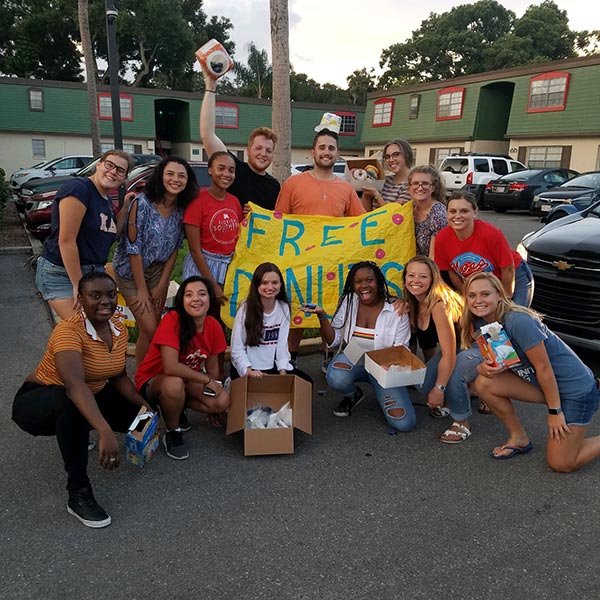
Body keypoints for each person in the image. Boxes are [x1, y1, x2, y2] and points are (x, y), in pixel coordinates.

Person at [12, 272, 150, 528]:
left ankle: (84, 429)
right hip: (38, 400)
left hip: (89, 393)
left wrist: (144, 407)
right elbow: (74, 385)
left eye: (110, 294)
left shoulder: (117, 327)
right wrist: (104, 431)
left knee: (137, 417)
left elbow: (118, 375)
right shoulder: (68, 331)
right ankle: (78, 493)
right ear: (80, 299)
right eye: (95, 296)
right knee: (72, 406)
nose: (105, 301)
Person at [462, 272, 600, 471]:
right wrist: (483, 367)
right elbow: (501, 360)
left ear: (500, 295)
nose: (478, 301)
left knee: (561, 463)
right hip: (546, 386)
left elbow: (544, 368)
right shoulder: (481, 321)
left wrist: (555, 411)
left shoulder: (518, 321)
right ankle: (519, 438)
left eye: (485, 294)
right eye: (472, 295)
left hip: (576, 391)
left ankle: (565, 420)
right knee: (483, 382)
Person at [275, 127, 365, 364]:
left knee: (331, 311)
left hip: (333, 265)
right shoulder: (293, 184)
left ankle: (328, 359)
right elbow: (277, 223)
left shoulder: (346, 188)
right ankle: (290, 359)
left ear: (338, 154)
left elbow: (362, 223)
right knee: (297, 311)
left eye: (332, 148)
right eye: (322, 147)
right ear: (312, 152)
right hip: (299, 263)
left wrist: (379, 203)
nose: (327, 152)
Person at [306, 261, 415, 431]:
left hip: (384, 362)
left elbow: (403, 352)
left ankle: (381, 390)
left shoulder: (396, 309)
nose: (364, 285)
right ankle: (354, 394)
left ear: (378, 282)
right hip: (356, 352)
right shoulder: (349, 301)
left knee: (404, 423)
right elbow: (334, 341)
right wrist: (321, 316)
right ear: (353, 284)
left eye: (369, 280)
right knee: (335, 376)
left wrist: (385, 372)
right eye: (358, 281)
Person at [112, 156, 198, 367]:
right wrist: (142, 289)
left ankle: (149, 371)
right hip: (130, 272)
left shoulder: (181, 210)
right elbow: (133, 250)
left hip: (159, 270)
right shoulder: (140, 204)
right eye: (170, 174)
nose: (175, 179)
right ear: (160, 176)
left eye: (181, 176)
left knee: (153, 328)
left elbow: (175, 250)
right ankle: (142, 377)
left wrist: (162, 285)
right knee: (150, 327)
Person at [135, 276, 229, 461]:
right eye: (189, 295)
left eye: (202, 294)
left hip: (185, 380)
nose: (196, 299)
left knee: (222, 400)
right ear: (181, 300)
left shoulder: (213, 325)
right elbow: (170, 367)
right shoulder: (172, 319)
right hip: (153, 380)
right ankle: (173, 431)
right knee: (174, 384)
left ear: (210, 299)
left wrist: (213, 393)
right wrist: (207, 381)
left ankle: (176, 407)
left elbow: (213, 368)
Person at [36, 150, 133, 319]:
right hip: (63, 273)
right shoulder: (79, 189)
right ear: (99, 164)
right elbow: (66, 241)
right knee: (84, 330)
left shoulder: (105, 199)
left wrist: (125, 208)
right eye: (110, 165)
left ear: (124, 178)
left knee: (97, 331)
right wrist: (79, 286)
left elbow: (111, 235)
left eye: (120, 170)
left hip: (91, 274)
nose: (113, 172)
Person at [402, 257, 471, 442]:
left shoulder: (439, 305)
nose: (416, 281)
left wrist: (439, 388)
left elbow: (449, 355)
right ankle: (455, 395)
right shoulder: (415, 302)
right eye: (411, 275)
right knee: (422, 384)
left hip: (474, 349)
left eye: (423, 276)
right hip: (455, 351)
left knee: (454, 373)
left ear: (433, 279)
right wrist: (431, 383)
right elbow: (428, 345)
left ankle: (462, 421)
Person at [434, 191, 534, 307]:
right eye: (452, 211)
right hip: (484, 287)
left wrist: (506, 298)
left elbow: (508, 268)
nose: (457, 216)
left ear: (475, 212)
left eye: (464, 211)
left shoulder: (490, 234)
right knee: (483, 321)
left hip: (514, 275)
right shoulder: (442, 238)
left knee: (514, 318)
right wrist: (467, 295)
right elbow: (451, 271)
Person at [199, 67, 279, 211]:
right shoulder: (233, 169)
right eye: (258, 148)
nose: (263, 153)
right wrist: (210, 88)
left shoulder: (274, 186)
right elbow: (207, 135)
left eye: (268, 150)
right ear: (248, 150)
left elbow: (275, 220)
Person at [230, 262, 312, 384]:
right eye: (264, 283)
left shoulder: (283, 308)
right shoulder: (245, 309)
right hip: (247, 367)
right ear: (257, 285)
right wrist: (248, 370)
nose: (270, 287)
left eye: (274, 283)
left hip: (271, 366)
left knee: (306, 383)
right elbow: (237, 348)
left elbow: (282, 346)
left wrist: (283, 373)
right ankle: (231, 384)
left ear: (280, 285)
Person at [182, 151, 243, 306]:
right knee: (199, 314)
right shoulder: (197, 201)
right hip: (203, 266)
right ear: (210, 170)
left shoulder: (234, 201)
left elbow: (240, 235)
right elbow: (195, 250)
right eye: (220, 168)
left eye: (231, 170)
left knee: (219, 317)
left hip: (227, 266)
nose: (226, 174)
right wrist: (213, 285)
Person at [362, 139, 413, 210]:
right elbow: (366, 212)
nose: (391, 160)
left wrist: (377, 196)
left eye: (396, 154)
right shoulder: (385, 180)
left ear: (407, 154)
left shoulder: (412, 184)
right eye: (387, 157)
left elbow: (397, 215)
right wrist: (366, 194)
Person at [408, 165, 447, 257]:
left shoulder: (438, 214)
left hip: (431, 267)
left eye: (425, 183)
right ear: (409, 187)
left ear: (433, 187)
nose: (420, 188)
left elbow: (433, 258)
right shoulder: (407, 209)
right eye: (415, 183)